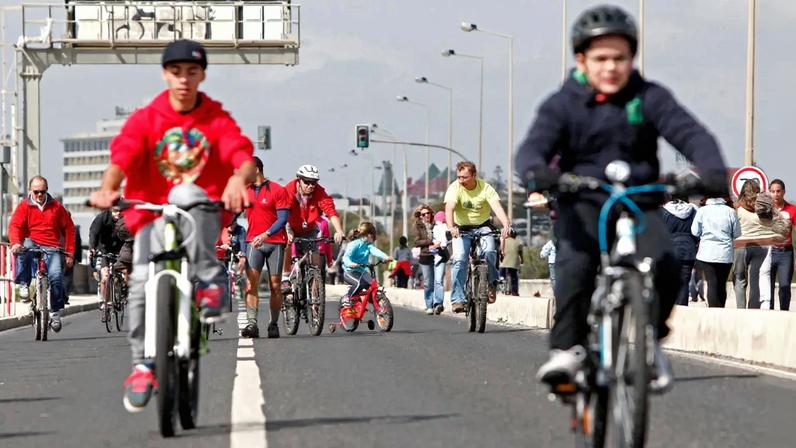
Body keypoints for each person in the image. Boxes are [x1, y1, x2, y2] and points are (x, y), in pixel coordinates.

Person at [515, 5, 728, 391]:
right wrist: (537, 172)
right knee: (575, 268)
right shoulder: (562, 103)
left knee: (665, 262)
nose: (610, 67)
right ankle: (567, 350)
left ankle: (648, 341)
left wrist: (712, 171)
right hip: (582, 202)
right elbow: (534, 147)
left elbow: (691, 134)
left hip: (639, 199)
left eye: (619, 58)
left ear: (632, 58)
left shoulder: (649, 97)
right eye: (600, 58)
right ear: (582, 59)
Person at [88, 39, 254, 413]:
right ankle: (143, 366)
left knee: (193, 204)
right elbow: (124, 153)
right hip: (151, 210)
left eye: (192, 72)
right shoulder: (148, 117)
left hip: (202, 206)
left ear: (202, 75)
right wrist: (109, 187)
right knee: (143, 282)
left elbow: (240, 153)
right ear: (165, 74)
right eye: (176, 72)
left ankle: (211, 283)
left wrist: (237, 179)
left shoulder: (213, 116)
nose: (183, 79)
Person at [9, 175, 76, 333]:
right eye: (36, 191)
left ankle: (55, 313)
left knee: (56, 277)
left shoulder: (57, 207)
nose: (39, 195)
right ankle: (24, 285)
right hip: (32, 241)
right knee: (23, 247)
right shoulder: (24, 206)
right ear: (30, 190)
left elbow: (69, 229)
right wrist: (15, 242)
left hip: (52, 246)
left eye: (43, 192)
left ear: (47, 190)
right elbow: (15, 226)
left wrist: (70, 254)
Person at [445, 161, 511, 313]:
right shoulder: (455, 187)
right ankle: (457, 299)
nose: (461, 180)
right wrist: (451, 227)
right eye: (459, 177)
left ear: (474, 176)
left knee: (490, 252)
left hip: (483, 226)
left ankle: (492, 283)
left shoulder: (485, 188)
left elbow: (497, 208)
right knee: (460, 257)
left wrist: (506, 225)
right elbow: (449, 209)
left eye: (464, 177)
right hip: (461, 229)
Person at [242, 156, 289, 339]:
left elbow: (282, 219)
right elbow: (232, 213)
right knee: (250, 284)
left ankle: (274, 324)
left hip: (274, 243)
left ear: (256, 169)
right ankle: (252, 324)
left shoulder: (277, 190)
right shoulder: (245, 191)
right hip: (253, 243)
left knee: (275, 286)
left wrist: (266, 235)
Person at [734, 180, 787, 309]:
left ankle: (741, 310)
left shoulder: (737, 207)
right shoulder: (764, 205)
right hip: (763, 247)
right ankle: (754, 309)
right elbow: (778, 222)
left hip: (741, 246)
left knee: (740, 279)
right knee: (756, 279)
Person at [284, 165, 344, 274]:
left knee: (315, 259)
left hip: (310, 229)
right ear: (299, 179)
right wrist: (287, 230)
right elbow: (282, 212)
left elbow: (330, 211)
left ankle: (315, 285)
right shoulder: (289, 190)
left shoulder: (319, 192)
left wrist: (339, 231)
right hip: (291, 226)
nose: (310, 185)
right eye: (307, 182)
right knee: (287, 244)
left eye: (314, 182)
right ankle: (285, 276)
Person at [691, 196, 741, 308]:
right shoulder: (730, 211)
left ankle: (713, 313)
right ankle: (721, 311)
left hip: (707, 253)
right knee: (721, 284)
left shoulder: (702, 211)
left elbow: (694, 231)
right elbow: (737, 233)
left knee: (711, 283)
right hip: (725, 254)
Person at [89, 204, 134, 319]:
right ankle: (106, 304)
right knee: (105, 277)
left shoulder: (128, 218)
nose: (118, 213)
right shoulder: (102, 218)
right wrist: (92, 248)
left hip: (122, 251)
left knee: (127, 273)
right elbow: (93, 233)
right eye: (115, 210)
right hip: (105, 251)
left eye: (120, 210)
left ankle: (124, 291)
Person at [341, 221, 392, 309]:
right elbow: (345, 258)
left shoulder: (368, 246)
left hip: (361, 271)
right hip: (350, 271)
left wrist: (386, 257)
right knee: (359, 284)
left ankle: (377, 306)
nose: (374, 237)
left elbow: (376, 251)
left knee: (373, 285)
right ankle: (347, 298)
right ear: (367, 234)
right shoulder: (354, 244)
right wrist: (350, 263)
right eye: (373, 235)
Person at [662, 196, 699, 306]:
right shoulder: (693, 211)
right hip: (688, 250)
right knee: (684, 283)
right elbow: (697, 232)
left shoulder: (663, 211)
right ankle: (682, 311)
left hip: (669, 251)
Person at [768, 179, 796, 311]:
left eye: (778, 191)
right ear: (769, 193)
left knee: (784, 287)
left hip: (786, 253)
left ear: (783, 192)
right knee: (768, 287)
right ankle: (769, 314)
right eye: (773, 191)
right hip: (768, 252)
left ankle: (784, 314)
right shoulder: (765, 210)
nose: (776, 194)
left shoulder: (792, 209)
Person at [413, 204, 443, 314]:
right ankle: (429, 305)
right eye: (423, 214)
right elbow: (416, 242)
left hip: (438, 255)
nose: (426, 215)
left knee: (438, 281)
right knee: (428, 283)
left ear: (431, 214)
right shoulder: (418, 226)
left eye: (428, 213)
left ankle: (438, 304)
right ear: (420, 216)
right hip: (425, 256)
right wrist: (430, 242)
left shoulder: (437, 224)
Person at [499, 229, 524, 296]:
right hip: (514, 263)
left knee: (501, 277)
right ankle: (514, 291)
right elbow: (520, 254)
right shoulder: (518, 242)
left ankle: (501, 289)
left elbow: (499, 250)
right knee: (514, 277)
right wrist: (522, 260)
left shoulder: (503, 240)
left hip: (503, 263)